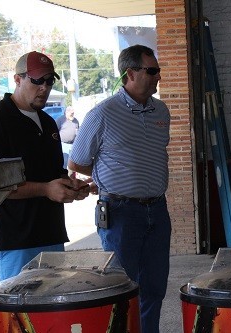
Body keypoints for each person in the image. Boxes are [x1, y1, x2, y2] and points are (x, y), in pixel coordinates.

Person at [68, 44, 171, 333]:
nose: (157, 76)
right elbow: (78, 162)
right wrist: (109, 176)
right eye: (151, 71)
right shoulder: (102, 114)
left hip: (157, 210)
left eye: (158, 70)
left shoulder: (161, 111)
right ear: (129, 73)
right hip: (120, 213)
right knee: (122, 288)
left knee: (154, 286)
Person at [0, 51, 90, 281]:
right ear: (17, 79)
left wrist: (71, 187)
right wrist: (46, 189)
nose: (44, 87)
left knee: (52, 313)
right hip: (15, 239)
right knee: (19, 314)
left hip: (51, 234)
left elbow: (54, 174)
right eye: (37, 80)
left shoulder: (47, 122)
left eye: (49, 80)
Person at [56, 106, 80, 170]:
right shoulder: (60, 120)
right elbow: (55, 132)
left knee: (72, 164)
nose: (72, 115)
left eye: (73, 113)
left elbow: (77, 132)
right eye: (71, 113)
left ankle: (71, 177)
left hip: (72, 145)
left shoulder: (76, 121)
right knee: (64, 163)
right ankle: (64, 177)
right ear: (66, 112)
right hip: (63, 145)